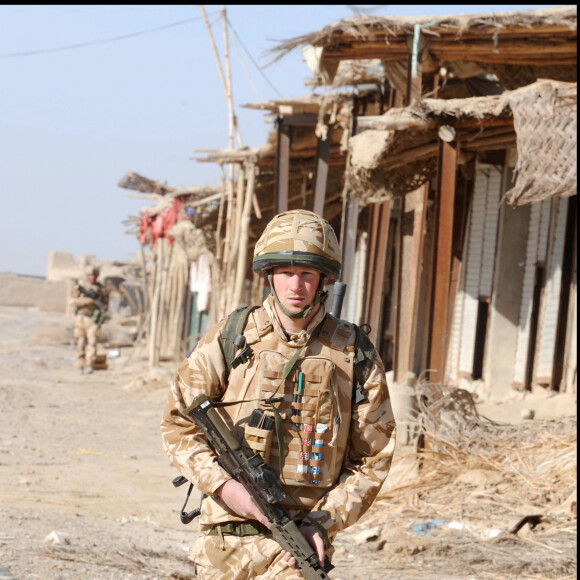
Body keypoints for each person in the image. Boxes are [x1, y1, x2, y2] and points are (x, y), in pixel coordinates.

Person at [160, 209, 396, 579]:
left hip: (295, 549)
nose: (295, 285)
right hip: (225, 541)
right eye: (286, 272)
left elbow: (372, 459)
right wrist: (224, 486)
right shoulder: (233, 335)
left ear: (324, 279)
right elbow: (178, 423)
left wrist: (321, 523)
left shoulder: (354, 353)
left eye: (306, 273)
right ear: (270, 275)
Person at [70, 265, 109, 374]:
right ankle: (80, 365)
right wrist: (86, 301)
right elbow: (72, 301)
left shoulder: (101, 289)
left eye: (94, 276)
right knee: (80, 343)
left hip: (93, 319)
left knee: (92, 342)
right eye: (91, 275)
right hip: (81, 318)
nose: (92, 278)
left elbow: (105, 305)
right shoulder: (80, 287)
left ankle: (89, 364)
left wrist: (101, 313)